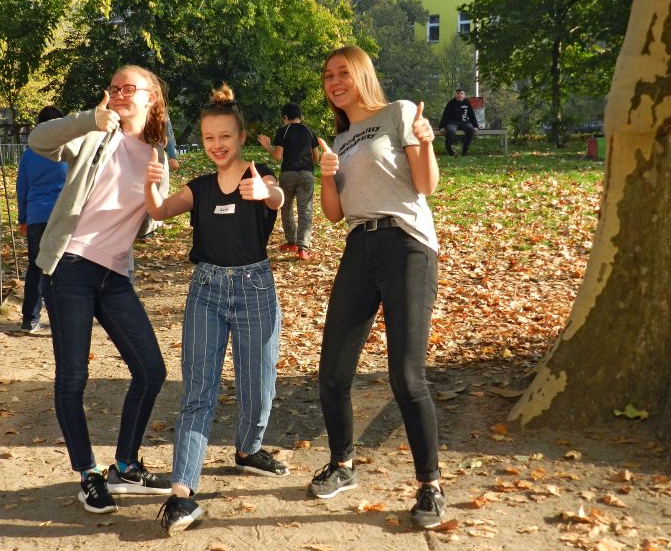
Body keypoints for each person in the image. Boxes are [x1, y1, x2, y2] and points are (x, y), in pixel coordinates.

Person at [310, 45, 445, 529]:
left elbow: (425, 184)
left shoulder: (399, 113)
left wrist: (425, 140)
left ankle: (430, 484)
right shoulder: (340, 140)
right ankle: (343, 464)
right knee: (331, 373)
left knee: (405, 376)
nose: (334, 81)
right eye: (328, 75)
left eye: (343, 72)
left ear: (362, 74)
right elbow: (333, 213)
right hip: (359, 246)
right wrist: (327, 175)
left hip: (406, 244)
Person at [27, 65, 172, 515]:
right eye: (114, 87)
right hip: (69, 267)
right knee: (73, 378)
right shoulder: (94, 131)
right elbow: (38, 140)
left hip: (114, 276)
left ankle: (125, 465)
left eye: (131, 88)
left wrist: (156, 193)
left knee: (151, 371)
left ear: (152, 99)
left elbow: (152, 221)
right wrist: (88, 119)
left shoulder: (157, 156)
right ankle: (88, 473)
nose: (120, 93)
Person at [144, 83, 287, 536]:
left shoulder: (258, 177)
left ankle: (248, 449)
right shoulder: (200, 187)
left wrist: (267, 193)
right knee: (198, 392)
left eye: (224, 136)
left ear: (241, 136)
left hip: (255, 289)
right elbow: (163, 211)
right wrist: (151, 186)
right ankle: (182, 493)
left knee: (257, 383)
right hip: (205, 290)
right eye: (208, 138)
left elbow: (278, 198)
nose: (217, 145)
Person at [16, 105, 68, 333]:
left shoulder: (30, 153)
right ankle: (65, 320)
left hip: (37, 215)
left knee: (36, 267)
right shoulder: (69, 150)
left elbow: (22, 187)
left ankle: (30, 319)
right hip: (64, 216)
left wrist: (23, 218)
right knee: (65, 268)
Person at [257, 103, 319, 260]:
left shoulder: (283, 131)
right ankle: (303, 249)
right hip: (306, 174)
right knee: (305, 210)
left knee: (286, 208)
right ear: (300, 116)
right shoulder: (309, 131)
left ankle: (292, 242)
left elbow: (278, 156)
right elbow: (316, 157)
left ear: (285, 117)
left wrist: (267, 146)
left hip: (288, 174)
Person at [439, 87, 479, 156]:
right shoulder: (451, 103)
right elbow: (445, 115)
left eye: (462, 93)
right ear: (455, 95)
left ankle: (465, 149)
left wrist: (475, 126)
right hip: (452, 123)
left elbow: (472, 115)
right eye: (458, 93)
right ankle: (449, 149)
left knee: (470, 129)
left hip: (464, 122)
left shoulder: (467, 103)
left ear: (464, 95)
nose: (460, 95)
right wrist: (441, 127)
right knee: (450, 130)